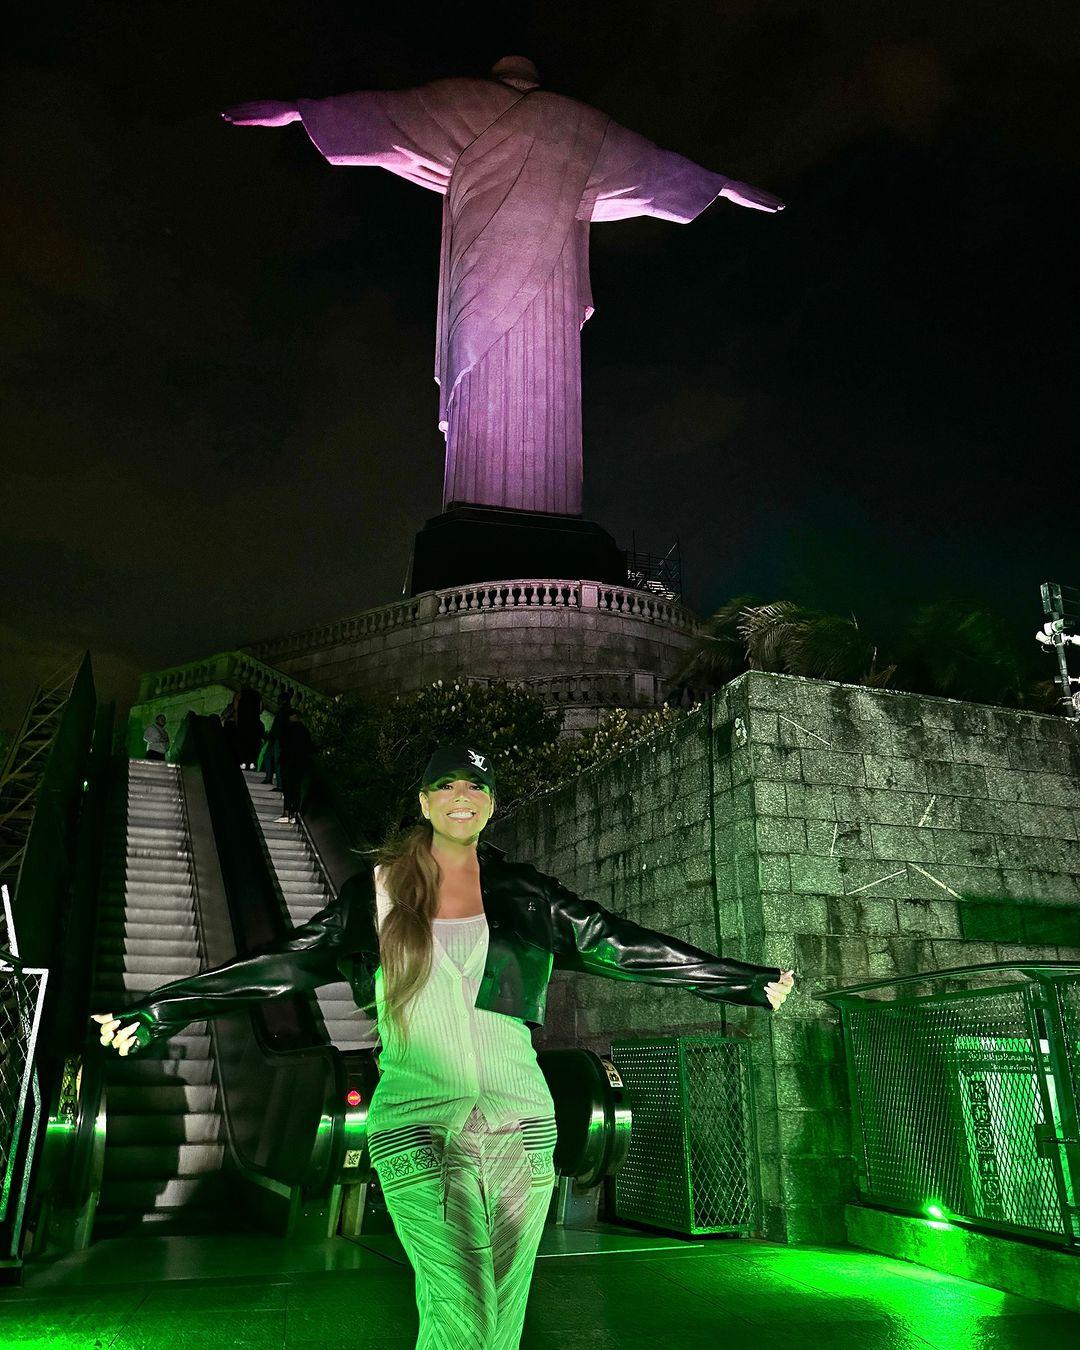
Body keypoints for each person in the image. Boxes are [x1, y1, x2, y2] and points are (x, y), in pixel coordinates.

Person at [93, 743, 795, 1350]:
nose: (464, 797)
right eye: (448, 786)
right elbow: (280, 964)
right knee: (461, 1311)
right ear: (424, 801)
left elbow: (623, 945)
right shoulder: (374, 895)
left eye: (478, 786)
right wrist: (158, 1010)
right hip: (418, 1127)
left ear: (490, 803)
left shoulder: (524, 894)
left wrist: (742, 982)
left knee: (497, 1323)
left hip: (522, 1128)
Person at [275, 706, 313, 824]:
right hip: (299, 763)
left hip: (288, 762)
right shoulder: (304, 730)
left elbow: (283, 744)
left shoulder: (286, 729)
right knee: (296, 787)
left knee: (288, 787)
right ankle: (294, 812)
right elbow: (309, 746)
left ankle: (287, 811)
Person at [261, 689, 293, 789]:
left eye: (279, 700)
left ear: (283, 701)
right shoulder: (285, 711)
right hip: (276, 738)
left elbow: (279, 726)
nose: (277, 702)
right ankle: (270, 778)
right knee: (270, 758)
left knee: (276, 761)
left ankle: (277, 783)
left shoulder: (284, 711)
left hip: (278, 739)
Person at [236, 685, 264, 771]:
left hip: (244, 722)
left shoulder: (241, 694)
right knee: (253, 742)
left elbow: (236, 707)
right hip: (254, 722)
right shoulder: (257, 695)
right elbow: (261, 708)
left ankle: (243, 762)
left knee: (243, 742)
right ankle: (251, 763)